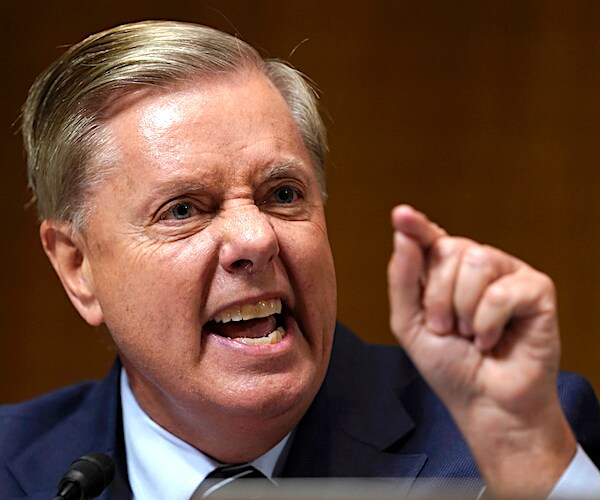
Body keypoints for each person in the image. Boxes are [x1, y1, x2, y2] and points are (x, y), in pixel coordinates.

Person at [1, 20, 599, 499]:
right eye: (184, 210)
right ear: (78, 268)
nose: (256, 238)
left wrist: (528, 457)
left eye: (282, 195)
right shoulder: (15, 470)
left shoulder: (508, 440)